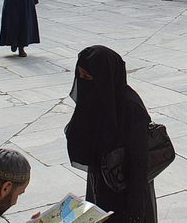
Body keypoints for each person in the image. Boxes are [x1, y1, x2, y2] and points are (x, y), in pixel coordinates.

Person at [66, 46, 157, 223]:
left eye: (88, 77)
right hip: (101, 183)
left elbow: (139, 160)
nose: (84, 82)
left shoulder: (130, 108)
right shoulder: (97, 102)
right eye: (81, 76)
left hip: (128, 191)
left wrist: (135, 203)